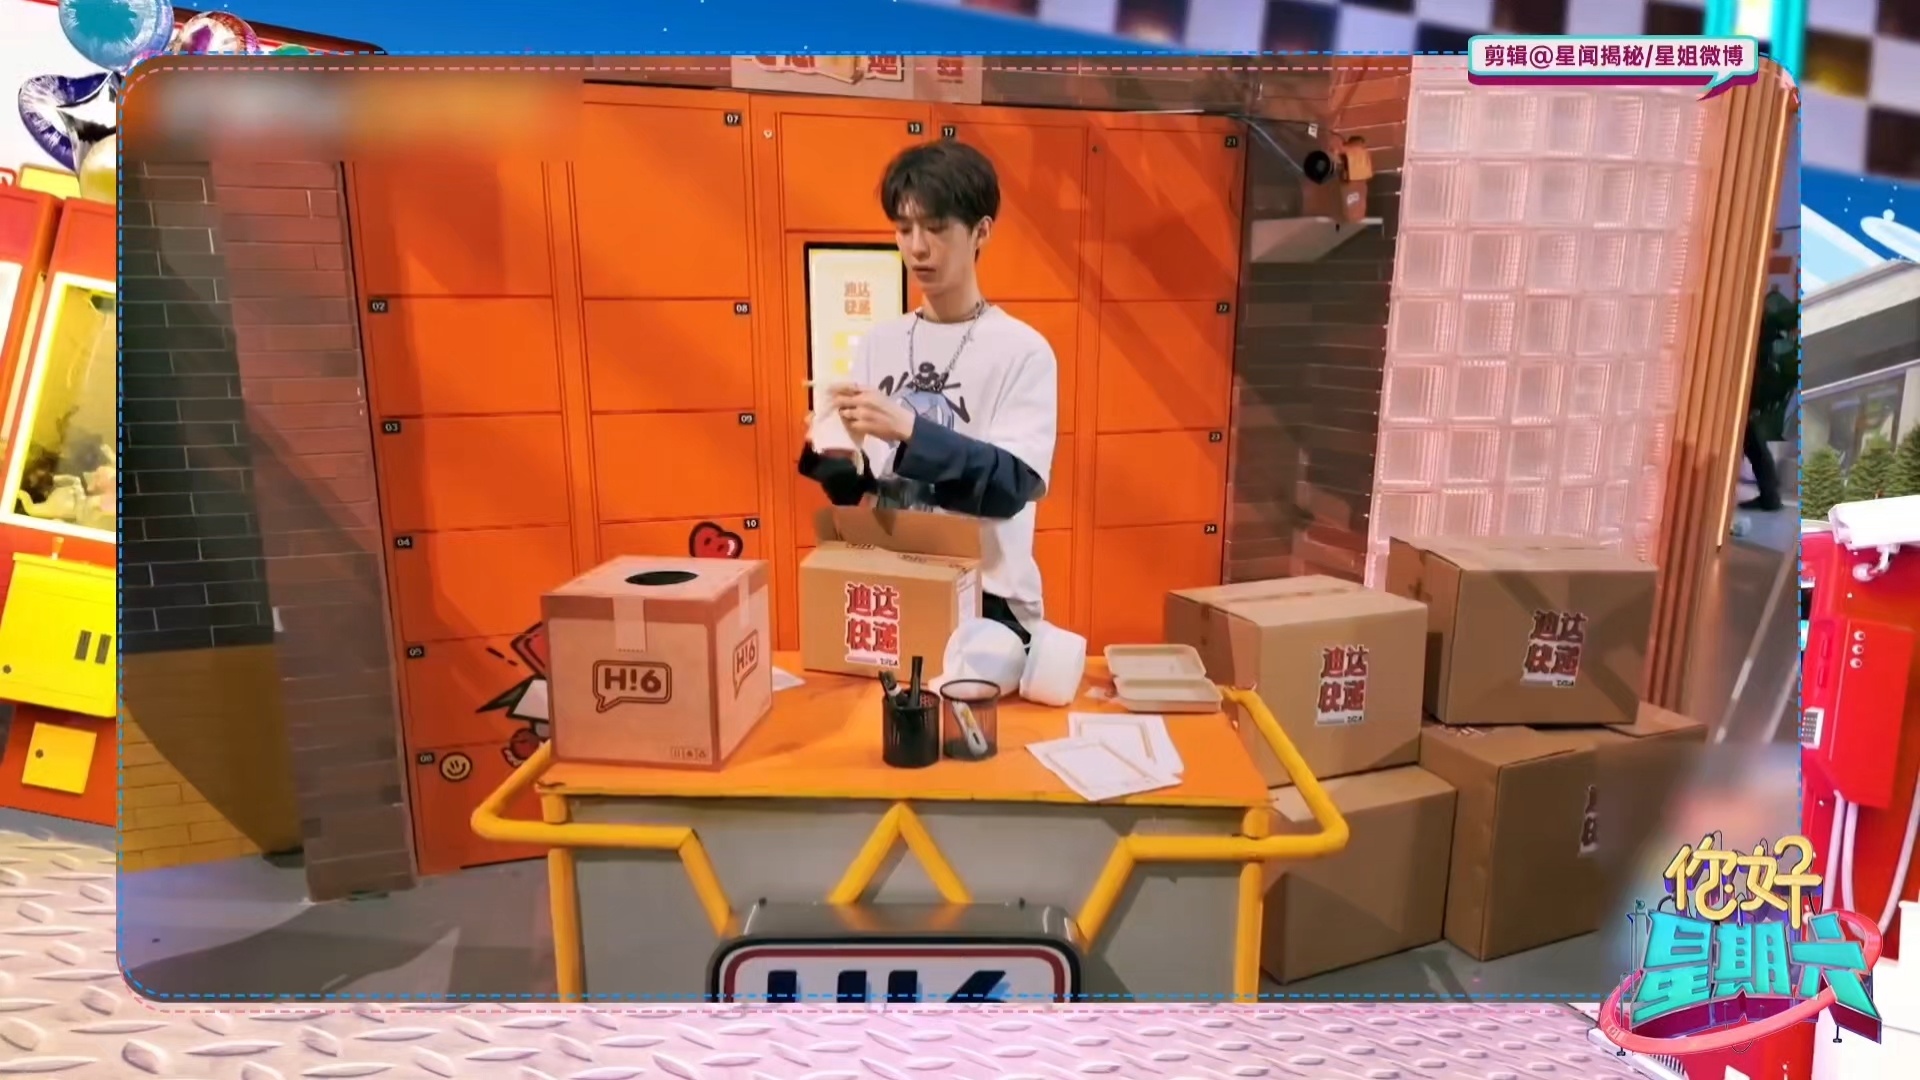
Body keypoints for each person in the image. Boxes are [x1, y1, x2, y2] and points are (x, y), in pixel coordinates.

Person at [798, 140, 1057, 644]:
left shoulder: (1023, 350)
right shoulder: (879, 343)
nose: (917, 247)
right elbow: (867, 493)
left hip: (988, 601)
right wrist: (833, 451)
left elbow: (1011, 487)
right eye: (903, 228)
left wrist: (910, 430)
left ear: (981, 231)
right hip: (893, 585)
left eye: (936, 228)